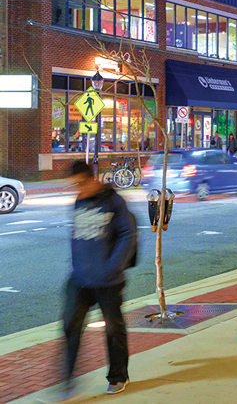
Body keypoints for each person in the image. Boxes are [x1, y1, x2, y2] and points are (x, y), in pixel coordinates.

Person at [60, 161, 138, 400]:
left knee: (113, 329)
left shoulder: (114, 202)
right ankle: (67, 381)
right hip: (81, 278)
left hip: (108, 280)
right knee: (70, 326)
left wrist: (112, 267)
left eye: (81, 184)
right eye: (74, 186)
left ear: (92, 178)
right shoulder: (79, 201)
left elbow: (128, 235)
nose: (78, 190)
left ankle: (118, 376)